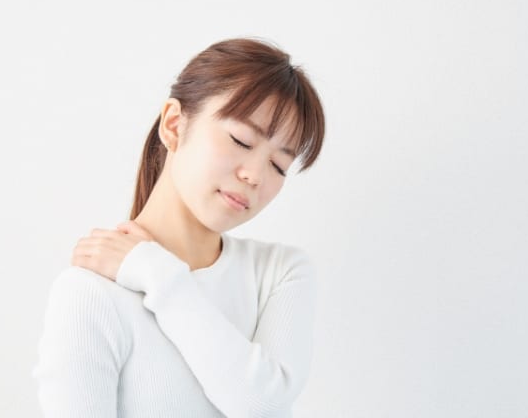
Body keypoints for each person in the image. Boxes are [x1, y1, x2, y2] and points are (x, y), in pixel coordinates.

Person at [31, 36, 326, 417]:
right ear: (173, 124)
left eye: (278, 166)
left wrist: (156, 274)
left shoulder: (279, 273)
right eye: (241, 140)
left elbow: (263, 407)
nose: (255, 175)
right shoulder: (92, 294)